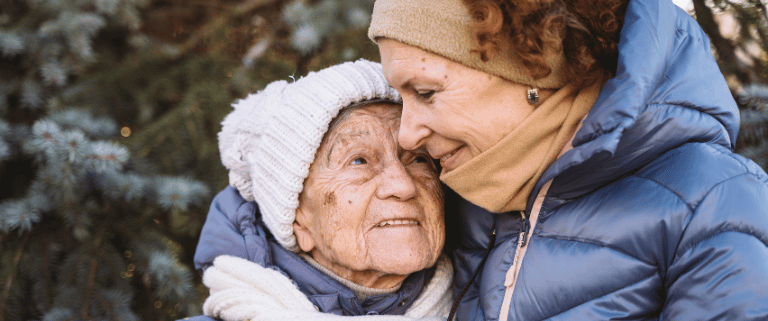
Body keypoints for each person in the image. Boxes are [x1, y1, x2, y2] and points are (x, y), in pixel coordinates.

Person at [368, 0, 768, 320]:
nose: (408, 134)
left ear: (535, 62)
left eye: (425, 92)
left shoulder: (714, 207)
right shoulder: (456, 202)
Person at [186, 60, 452, 321]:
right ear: (297, 219)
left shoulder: (485, 305)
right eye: (359, 161)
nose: (403, 185)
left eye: (419, 159)